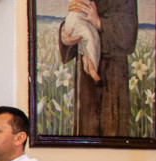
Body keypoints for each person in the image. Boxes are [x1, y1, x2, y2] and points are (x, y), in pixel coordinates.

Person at [58, 0, 138, 136]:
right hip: (85, 79)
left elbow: (128, 37)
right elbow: (75, 18)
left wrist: (99, 23)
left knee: (113, 129)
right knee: (86, 129)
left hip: (113, 75)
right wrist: (65, 36)